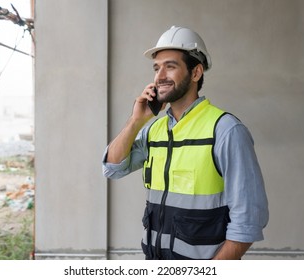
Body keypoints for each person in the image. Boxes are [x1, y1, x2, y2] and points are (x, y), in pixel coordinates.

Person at [102, 26, 269, 260]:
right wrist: (135, 121)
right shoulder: (153, 129)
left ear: (195, 73)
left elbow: (248, 221)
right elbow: (112, 168)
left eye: (170, 66)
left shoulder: (225, 130)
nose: (159, 76)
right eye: (156, 68)